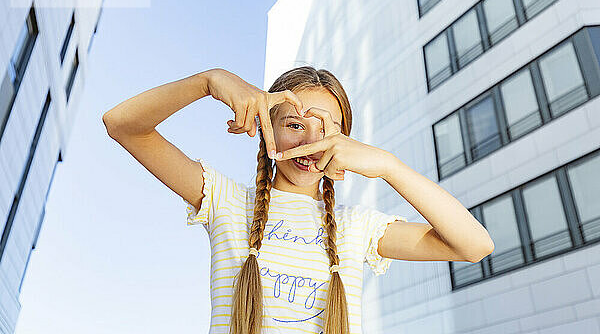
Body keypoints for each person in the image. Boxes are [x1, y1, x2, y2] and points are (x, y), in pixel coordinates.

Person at [102, 67, 494, 334]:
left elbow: (475, 245)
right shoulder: (226, 201)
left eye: (328, 131)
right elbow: (122, 125)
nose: (310, 142)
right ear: (264, 127)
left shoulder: (357, 227)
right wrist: (210, 81)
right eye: (294, 125)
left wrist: (389, 167)